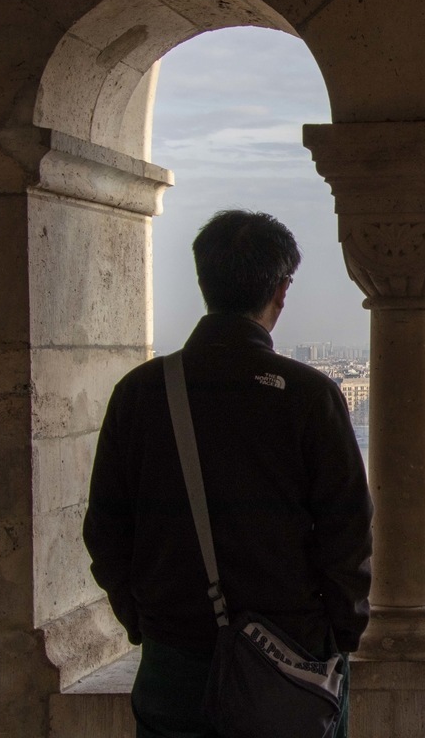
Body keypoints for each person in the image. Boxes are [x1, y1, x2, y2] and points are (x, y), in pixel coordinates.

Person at [84, 210, 373, 737]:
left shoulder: (139, 394)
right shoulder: (309, 397)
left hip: (172, 663)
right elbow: (348, 536)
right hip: (290, 664)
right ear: (281, 292)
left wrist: (147, 624)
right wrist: (337, 636)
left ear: (203, 283)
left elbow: (105, 532)